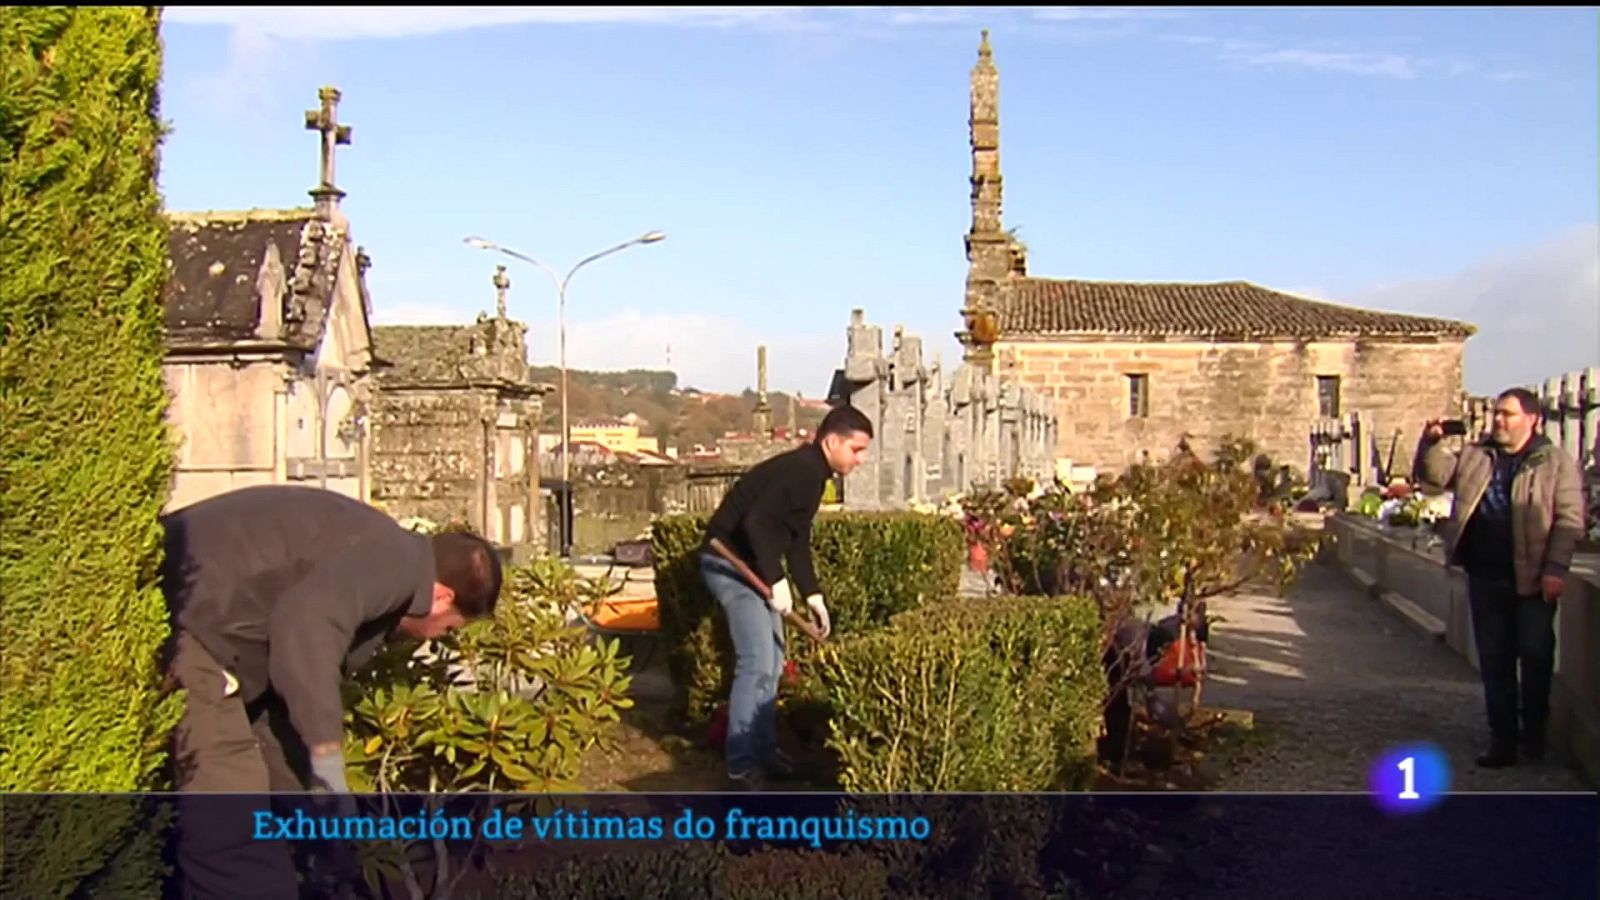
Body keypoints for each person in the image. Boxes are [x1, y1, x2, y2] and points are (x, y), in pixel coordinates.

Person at [158, 484, 503, 899]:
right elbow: (305, 624)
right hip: (189, 630)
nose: (433, 639)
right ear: (441, 596)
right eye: (447, 628)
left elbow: (277, 708)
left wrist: (319, 819)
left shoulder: (374, 550)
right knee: (236, 839)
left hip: (199, 628)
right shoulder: (394, 564)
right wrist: (326, 754)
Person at [700, 404, 873, 790]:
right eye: (856, 450)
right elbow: (756, 522)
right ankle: (742, 766)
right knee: (757, 662)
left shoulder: (814, 473)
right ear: (832, 442)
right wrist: (777, 581)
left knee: (774, 660)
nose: (860, 460)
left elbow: (796, 539)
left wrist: (812, 595)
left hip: (755, 568)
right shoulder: (802, 471)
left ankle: (765, 753)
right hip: (729, 565)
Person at [1416, 388, 1586, 768]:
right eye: (1496, 413)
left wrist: (1556, 569)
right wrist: (1432, 444)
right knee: (1495, 660)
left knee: (1536, 655)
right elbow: (1434, 477)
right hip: (1487, 573)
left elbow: (1569, 520)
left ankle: (1535, 733)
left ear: (1532, 419)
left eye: (1507, 414)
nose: (1498, 421)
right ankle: (1502, 739)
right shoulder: (1478, 455)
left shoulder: (1554, 462)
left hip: (1533, 577)